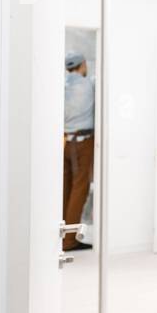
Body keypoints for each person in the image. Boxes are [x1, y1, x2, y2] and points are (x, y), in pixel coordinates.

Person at [62, 51, 96, 251]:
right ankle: (69, 240)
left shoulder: (63, 84)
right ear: (82, 65)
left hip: (67, 142)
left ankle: (62, 236)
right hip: (82, 143)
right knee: (79, 190)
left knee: (65, 189)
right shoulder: (86, 84)